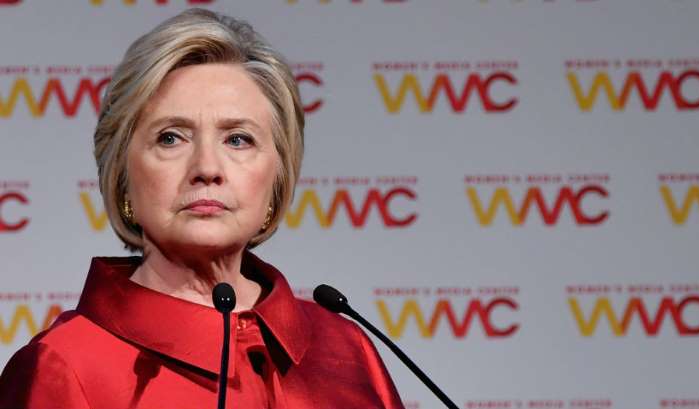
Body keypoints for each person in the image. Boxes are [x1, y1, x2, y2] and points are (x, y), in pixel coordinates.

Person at [0, 8, 404, 409]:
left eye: (238, 139)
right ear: (122, 175)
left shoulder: (347, 349)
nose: (207, 168)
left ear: (278, 176)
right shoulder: (64, 364)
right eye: (171, 138)